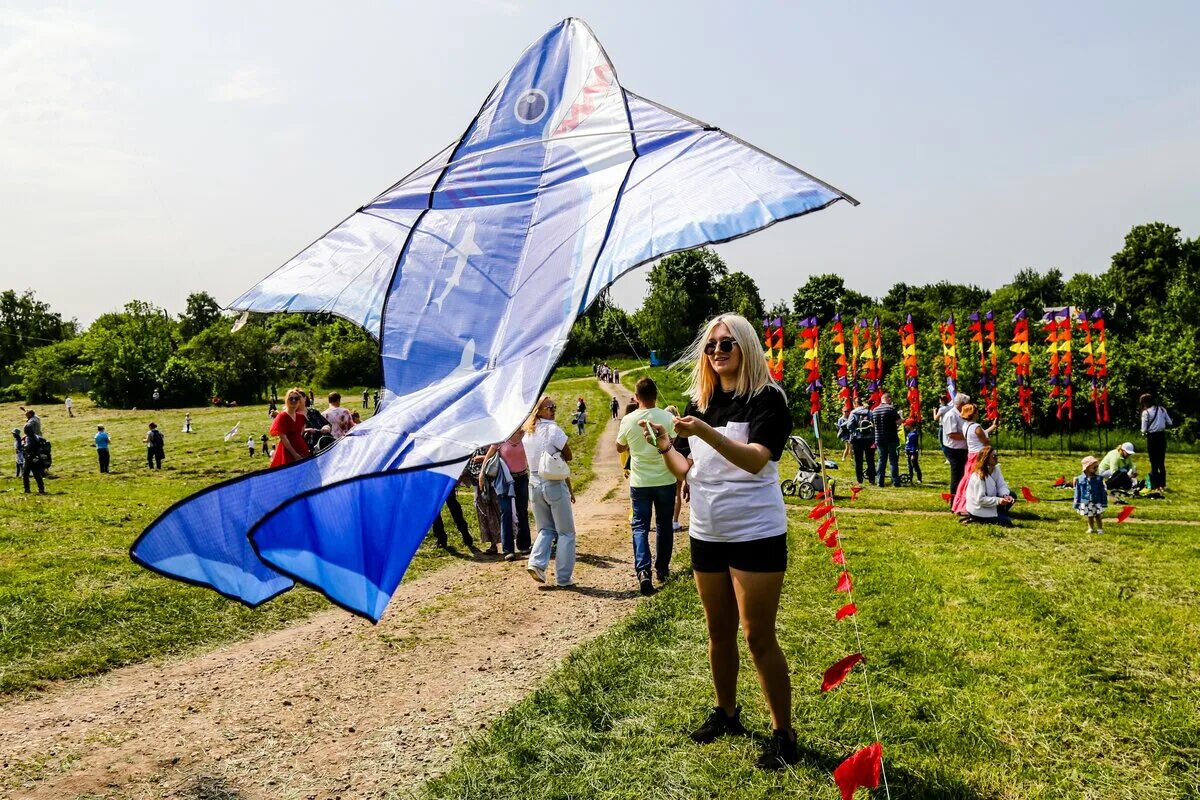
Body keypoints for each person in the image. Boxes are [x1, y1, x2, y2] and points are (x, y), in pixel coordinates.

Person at [643, 313, 799, 770]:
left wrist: (702, 431)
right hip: (706, 531)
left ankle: (783, 732)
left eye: (726, 343)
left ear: (746, 346)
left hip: (755, 531)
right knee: (718, 632)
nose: (717, 351)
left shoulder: (768, 399)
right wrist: (667, 447)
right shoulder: (702, 400)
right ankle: (727, 712)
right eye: (711, 345)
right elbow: (690, 472)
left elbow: (755, 461)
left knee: (757, 636)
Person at [617, 377, 678, 595]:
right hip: (666, 480)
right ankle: (662, 568)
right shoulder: (668, 417)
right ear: (655, 393)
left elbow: (619, 446)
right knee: (664, 525)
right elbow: (675, 441)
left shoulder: (629, 419)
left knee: (640, 526)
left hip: (640, 483)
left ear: (636, 396)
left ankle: (643, 571)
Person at [524, 395, 576, 587]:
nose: (553, 410)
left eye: (554, 407)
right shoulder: (553, 430)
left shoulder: (528, 433)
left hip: (534, 482)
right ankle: (563, 577)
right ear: (540, 411)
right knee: (566, 532)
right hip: (553, 482)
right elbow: (569, 454)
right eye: (550, 407)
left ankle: (536, 563)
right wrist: (559, 454)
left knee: (545, 529)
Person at [483, 428, 532, 559]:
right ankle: (508, 550)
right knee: (506, 512)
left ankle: (524, 546)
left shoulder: (526, 436)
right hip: (504, 480)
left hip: (522, 478)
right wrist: (482, 475)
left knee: (522, 511)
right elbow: (488, 456)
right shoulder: (501, 437)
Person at [950, 403, 996, 515]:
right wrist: (988, 440)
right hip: (979, 455)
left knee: (967, 480)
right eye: (976, 411)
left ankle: (960, 505)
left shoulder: (966, 426)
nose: (978, 413)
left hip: (970, 454)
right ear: (973, 413)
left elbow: (981, 434)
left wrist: (993, 426)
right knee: (979, 480)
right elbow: (985, 441)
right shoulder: (976, 427)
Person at [963, 446, 1015, 526]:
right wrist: (999, 500)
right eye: (994, 456)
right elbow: (980, 500)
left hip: (989, 502)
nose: (996, 458)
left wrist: (1005, 495)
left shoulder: (996, 469)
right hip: (978, 509)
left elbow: (1001, 485)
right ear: (986, 459)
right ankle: (976, 518)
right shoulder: (978, 476)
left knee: (1012, 495)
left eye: (997, 455)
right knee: (1007, 523)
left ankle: (998, 514)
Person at [940, 393, 970, 506]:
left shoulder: (961, 414)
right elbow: (951, 434)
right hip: (954, 450)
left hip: (962, 449)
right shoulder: (951, 415)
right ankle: (954, 502)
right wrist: (969, 435)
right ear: (961, 404)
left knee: (962, 475)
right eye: (967, 404)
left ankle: (961, 501)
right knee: (957, 476)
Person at [269, 388, 311, 467]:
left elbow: (300, 433)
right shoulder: (282, 416)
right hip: (288, 451)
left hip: (302, 449)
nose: (294, 400)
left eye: (296, 398)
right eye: (291, 398)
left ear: (299, 401)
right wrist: (295, 455)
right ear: (286, 400)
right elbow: (283, 438)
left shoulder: (301, 417)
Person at [1140, 393, 1172, 495]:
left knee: (1154, 462)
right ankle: (1162, 484)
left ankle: (1155, 485)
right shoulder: (1162, 409)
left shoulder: (1146, 413)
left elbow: (1144, 429)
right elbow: (1170, 422)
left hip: (1152, 437)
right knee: (1161, 462)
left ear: (1145, 403)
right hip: (1162, 437)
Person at [870, 392, 902, 487]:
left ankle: (880, 481)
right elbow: (899, 422)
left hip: (879, 438)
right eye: (890, 399)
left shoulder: (875, 410)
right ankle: (895, 481)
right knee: (893, 460)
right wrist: (901, 417)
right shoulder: (891, 409)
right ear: (888, 398)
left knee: (881, 460)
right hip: (891, 438)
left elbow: (873, 424)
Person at [664, 404, 686, 532]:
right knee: (677, 491)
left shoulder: (664, 428)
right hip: (680, 462)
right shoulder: (681, 428)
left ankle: (665, 519)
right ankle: (675, 521)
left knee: (665, 492)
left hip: (667, 462)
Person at [1074, 455, 1108, 534]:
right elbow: (1078, 491)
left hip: (1096, 501)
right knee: (1089, 515)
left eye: (1097, 467)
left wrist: (1103, 501)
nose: (1096, 469)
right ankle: (1090, 528)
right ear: (1087, 468)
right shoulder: (1080, 479)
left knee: (1097, 515)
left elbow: (1102, 491)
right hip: (1086, 501)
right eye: (1094, 467)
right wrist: (1077, 502)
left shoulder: (1098, 479)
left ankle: (1100, 528)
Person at [848, 398, 875, 485]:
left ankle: (859, 480)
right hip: (870, 439)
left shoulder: (853, 413)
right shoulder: (869, 412)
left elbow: (849, 425)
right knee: (870, 459)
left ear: (854, 404)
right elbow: (874, 424)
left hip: (858, 440)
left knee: (858, 460)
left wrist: (855, 431)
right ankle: (872, 479)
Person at [903, 418, 922, 484]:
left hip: (912, 452)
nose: (905, 427)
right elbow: (908, 443)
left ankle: (919, 479)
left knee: (915, 465)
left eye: (906, 425)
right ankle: (910, 478)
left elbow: (914, 445)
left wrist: (913, 454)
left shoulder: (913, 435)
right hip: (908, 451)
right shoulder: (909, 433)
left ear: (910, 425)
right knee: (909, 466)